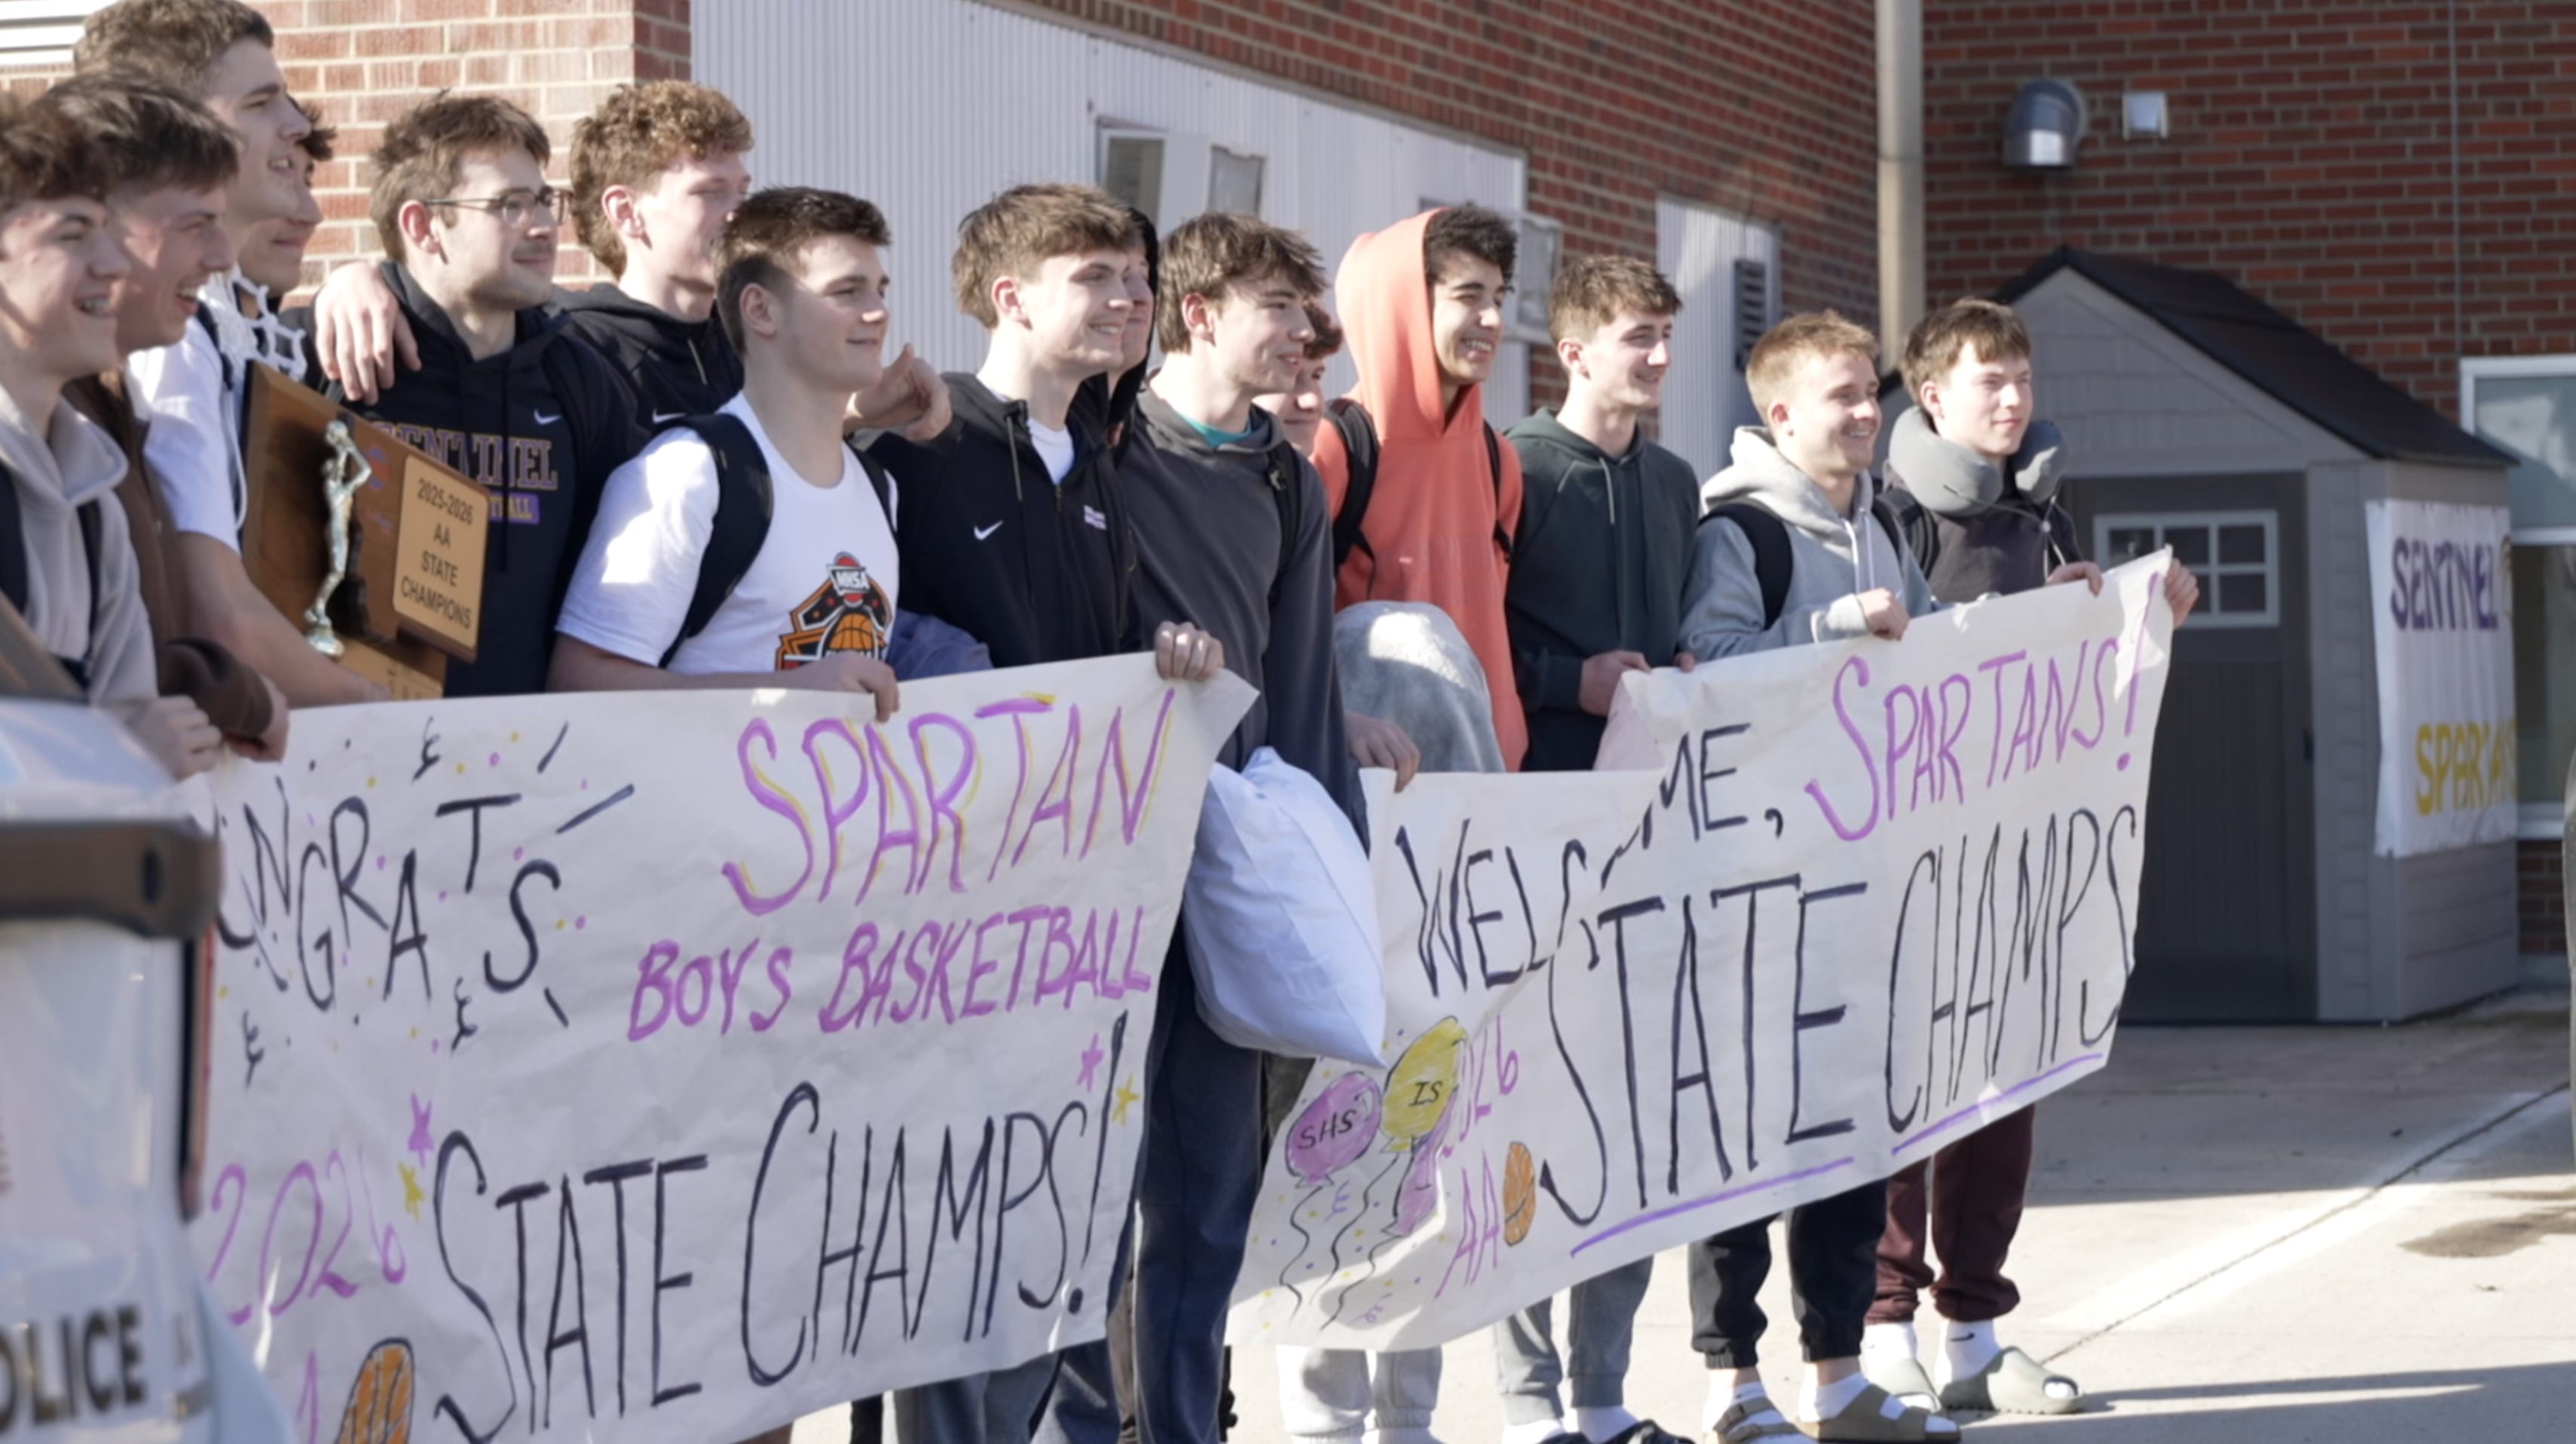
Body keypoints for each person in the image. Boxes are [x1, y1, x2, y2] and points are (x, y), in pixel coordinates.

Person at [1860, 298, 2197, 1418]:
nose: (2011, 399)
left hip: (2020, 861)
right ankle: (1880, 1325)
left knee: (2009, 1086)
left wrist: (2133, 622)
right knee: (1910, 1096)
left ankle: (1973, 1329)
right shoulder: (1891, 509)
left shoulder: (2041, 510)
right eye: (1986, 380)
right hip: (1917, 861)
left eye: (2020, 378)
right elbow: (1893, 667)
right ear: (1931, 395)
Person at [1053, 207, 1356, 1444]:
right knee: (1082, 1194)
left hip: (1226, 878)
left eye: (1306, 309)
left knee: (1209, 1196)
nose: (1304, 334)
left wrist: (1338, 877)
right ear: (1198, 314)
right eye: (1277, 308)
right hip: (1097, 870)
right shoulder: (1098, 441)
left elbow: (1303, 691)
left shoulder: (1288, 476)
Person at [1672, 311, 1955, 1444]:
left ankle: (1835, 1377)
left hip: (1860, 880)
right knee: (1740, 1143)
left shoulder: (1884, 519)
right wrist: (1838, 621)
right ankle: (1728, 1383)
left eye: (1868, 394)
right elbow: (1706, 668)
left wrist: (2067, 623)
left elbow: (1940, 652)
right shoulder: (1738, 529)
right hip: (1753, 883)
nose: (1866, 412)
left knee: (1848, 1132)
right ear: (1778, 415)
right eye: (1840, 397)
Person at [1486, 254, 1699, 1444]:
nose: (1659, 356)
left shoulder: (1674, 485)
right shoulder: (1511, 471)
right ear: (1570, 350)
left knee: (1633, 1130)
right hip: (1533, 838)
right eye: (1636, 336)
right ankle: (1528, 1409)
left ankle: (1608, 1398)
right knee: (1527, 1124)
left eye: (1666, 334)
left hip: (1652, 844)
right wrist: (1571, 679)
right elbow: (1471, 644)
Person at [308, 80, 949, 441]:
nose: (738, 214)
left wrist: (860, 413)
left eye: (742, 191)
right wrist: (359, 278)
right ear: (626, 211)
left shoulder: (756, 339)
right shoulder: (570, 349)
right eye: (708, 193)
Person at [76, 0, 384, 708]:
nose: (297, 122)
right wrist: (389, 721)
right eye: (261, 100)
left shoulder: (219, 321)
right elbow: (218, 617)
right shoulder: (172, 333)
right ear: (180, 124)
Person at [309, 91, 644, 697]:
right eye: (510, 205)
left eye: (544, 200)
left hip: (527, 760)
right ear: (423, 225)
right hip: (348, 756)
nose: (544, 225)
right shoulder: (338, 354)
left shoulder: (581, 379)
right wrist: (344, 278)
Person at [549, 185, 903, 716]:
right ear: (760, 310)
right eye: (847, 292)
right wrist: (790, 695)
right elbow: (578, 684)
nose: (878, 313)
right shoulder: (689, 472)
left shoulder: (880, 488)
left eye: (879, 289)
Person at [45, 74, 289, 766]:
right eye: (195, 225)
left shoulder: (105, 410)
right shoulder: (42, 425)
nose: (220, 257)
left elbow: (123, 655)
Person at [0, 91, 219, 779]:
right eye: (71, 235)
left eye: (106, 230)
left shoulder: (94, 502)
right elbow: (123, 757)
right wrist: (120, 759)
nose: (115, 265)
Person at [1313, 203, 1526, 770]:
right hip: (1382, 783)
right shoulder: (1335, 447)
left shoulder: (1498, 458)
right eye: (1469, 296)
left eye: (1499, 298)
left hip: (1490, 781)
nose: (1492, 319)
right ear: (1404, 306)